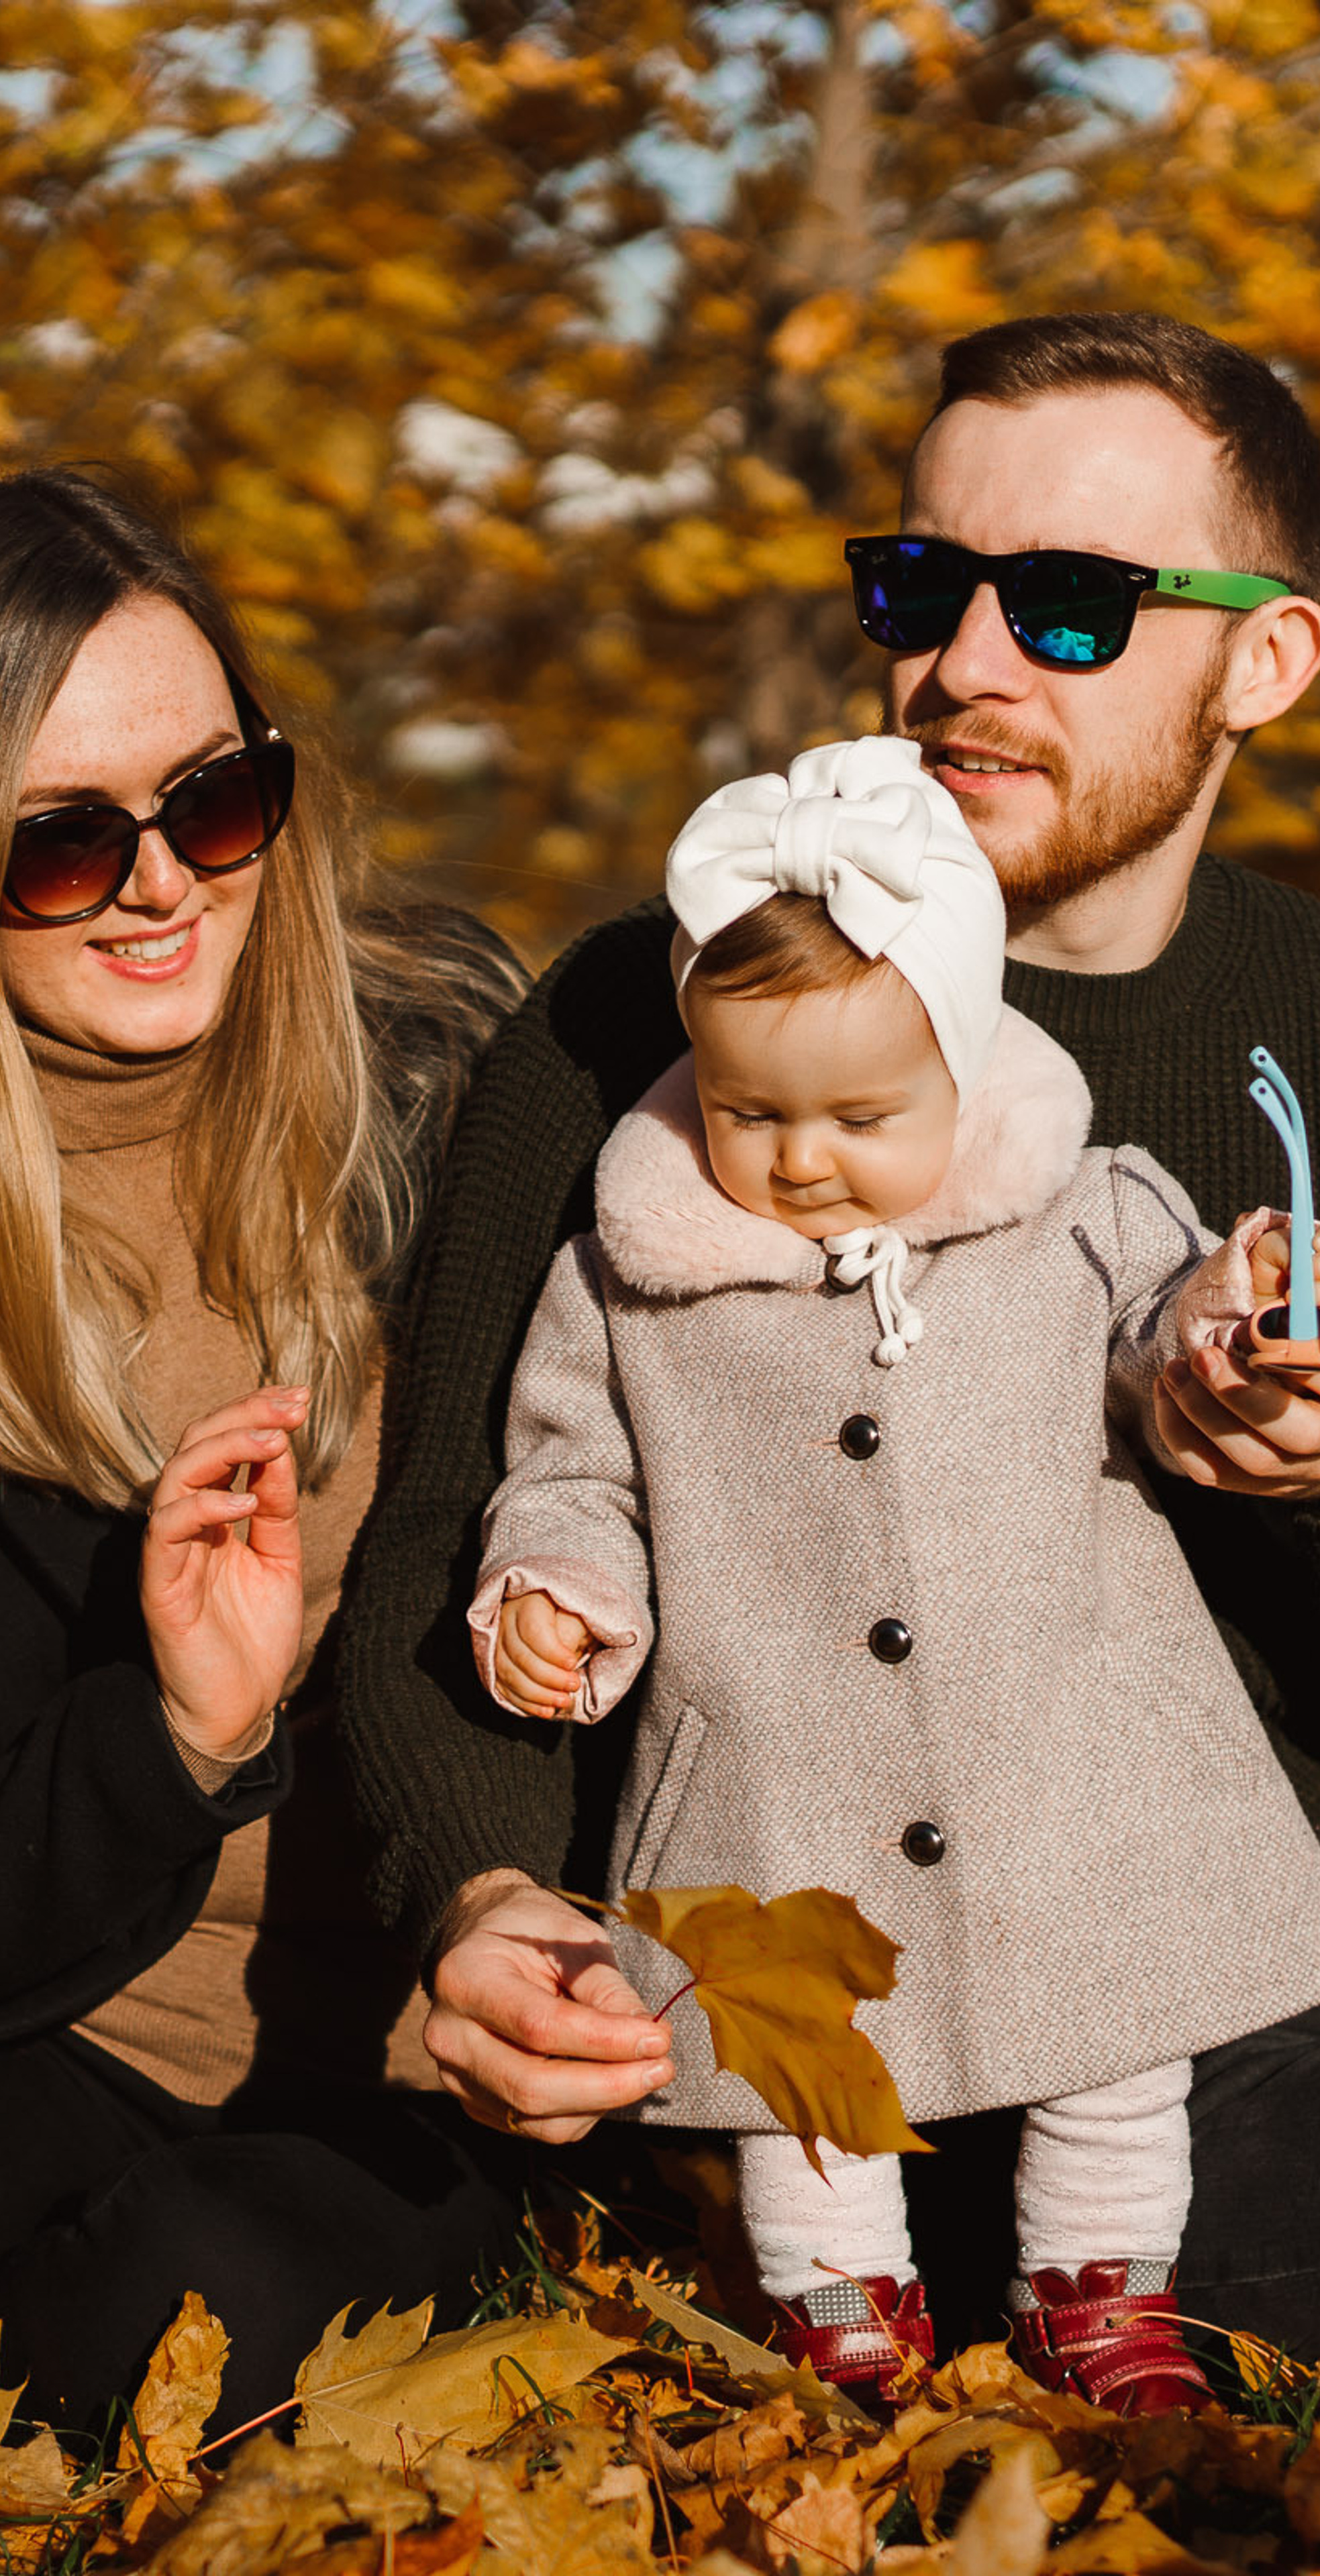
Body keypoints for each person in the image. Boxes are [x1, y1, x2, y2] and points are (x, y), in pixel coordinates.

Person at [342, 311, 1320, 2365]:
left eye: (1068, 607)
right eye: (921, 584)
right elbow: (460, 1538)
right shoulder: (654, 1017)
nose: (963, 664)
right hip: (986, 2039)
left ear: (1269, 660)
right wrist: (475, 1902)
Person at [465, 734, 1320, 2410]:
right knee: (799, 2055)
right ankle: (840, 2320)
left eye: (862, 1115)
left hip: (1065, 1727)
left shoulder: (1080, 1206)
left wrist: (1234, 1323)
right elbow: (571, 1461)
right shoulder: (630, 1282)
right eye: (750, 1112)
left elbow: (1160, 1334)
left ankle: (1096, 2300)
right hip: (778, 1752)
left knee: (1112, 2034)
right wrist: (557, 1586)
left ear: (964, 1070)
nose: (802, 1157)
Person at [0, 466, 528, 2435]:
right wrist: (177, 1737)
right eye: (60, 844)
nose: (163, 882)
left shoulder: (455, 1079)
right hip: (73, 2018)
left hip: (429, 2045)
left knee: (182, 2309)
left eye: (213, 799)